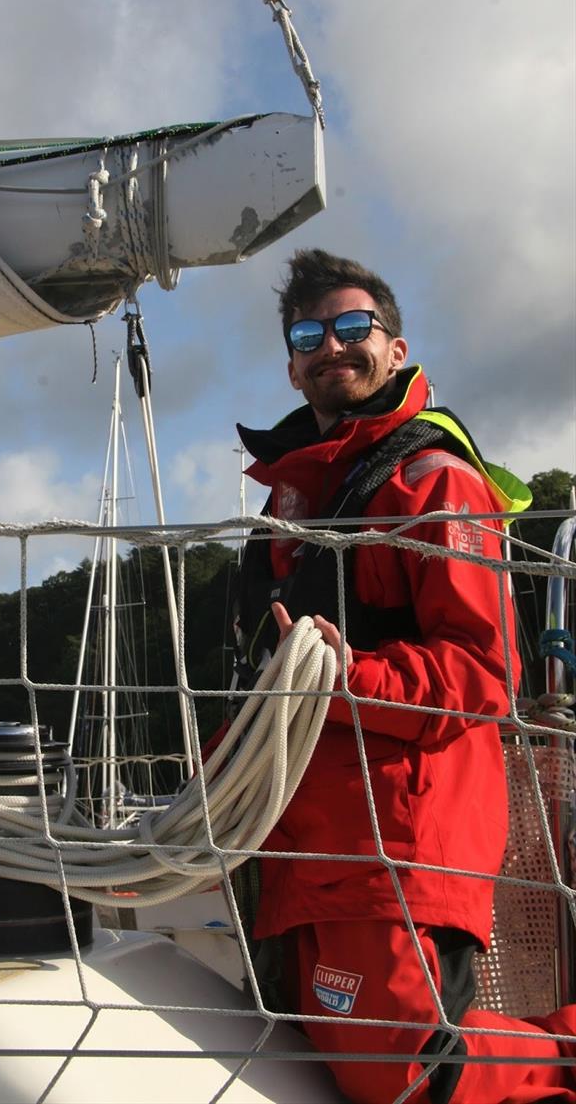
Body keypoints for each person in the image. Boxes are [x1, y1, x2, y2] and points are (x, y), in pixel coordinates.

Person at [231, 249, 575, 1104]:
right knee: (313, 1059)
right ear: (290, 363)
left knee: (405, 1070)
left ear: (395, 347)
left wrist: (348, 675)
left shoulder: (437, 482)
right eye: (309, 334)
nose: (331, 346)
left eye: (354, 327)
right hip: (299, 841)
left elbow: (482, 674)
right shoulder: (290, 503)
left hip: (397, 841)